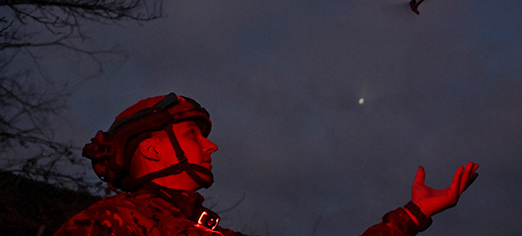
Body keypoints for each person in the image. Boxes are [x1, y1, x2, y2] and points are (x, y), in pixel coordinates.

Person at [54, 93, 479, 236]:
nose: (211, 145)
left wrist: (413, 214)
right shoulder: (107, 224)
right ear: (151, 150)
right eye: (192, 135)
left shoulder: (208, 228)